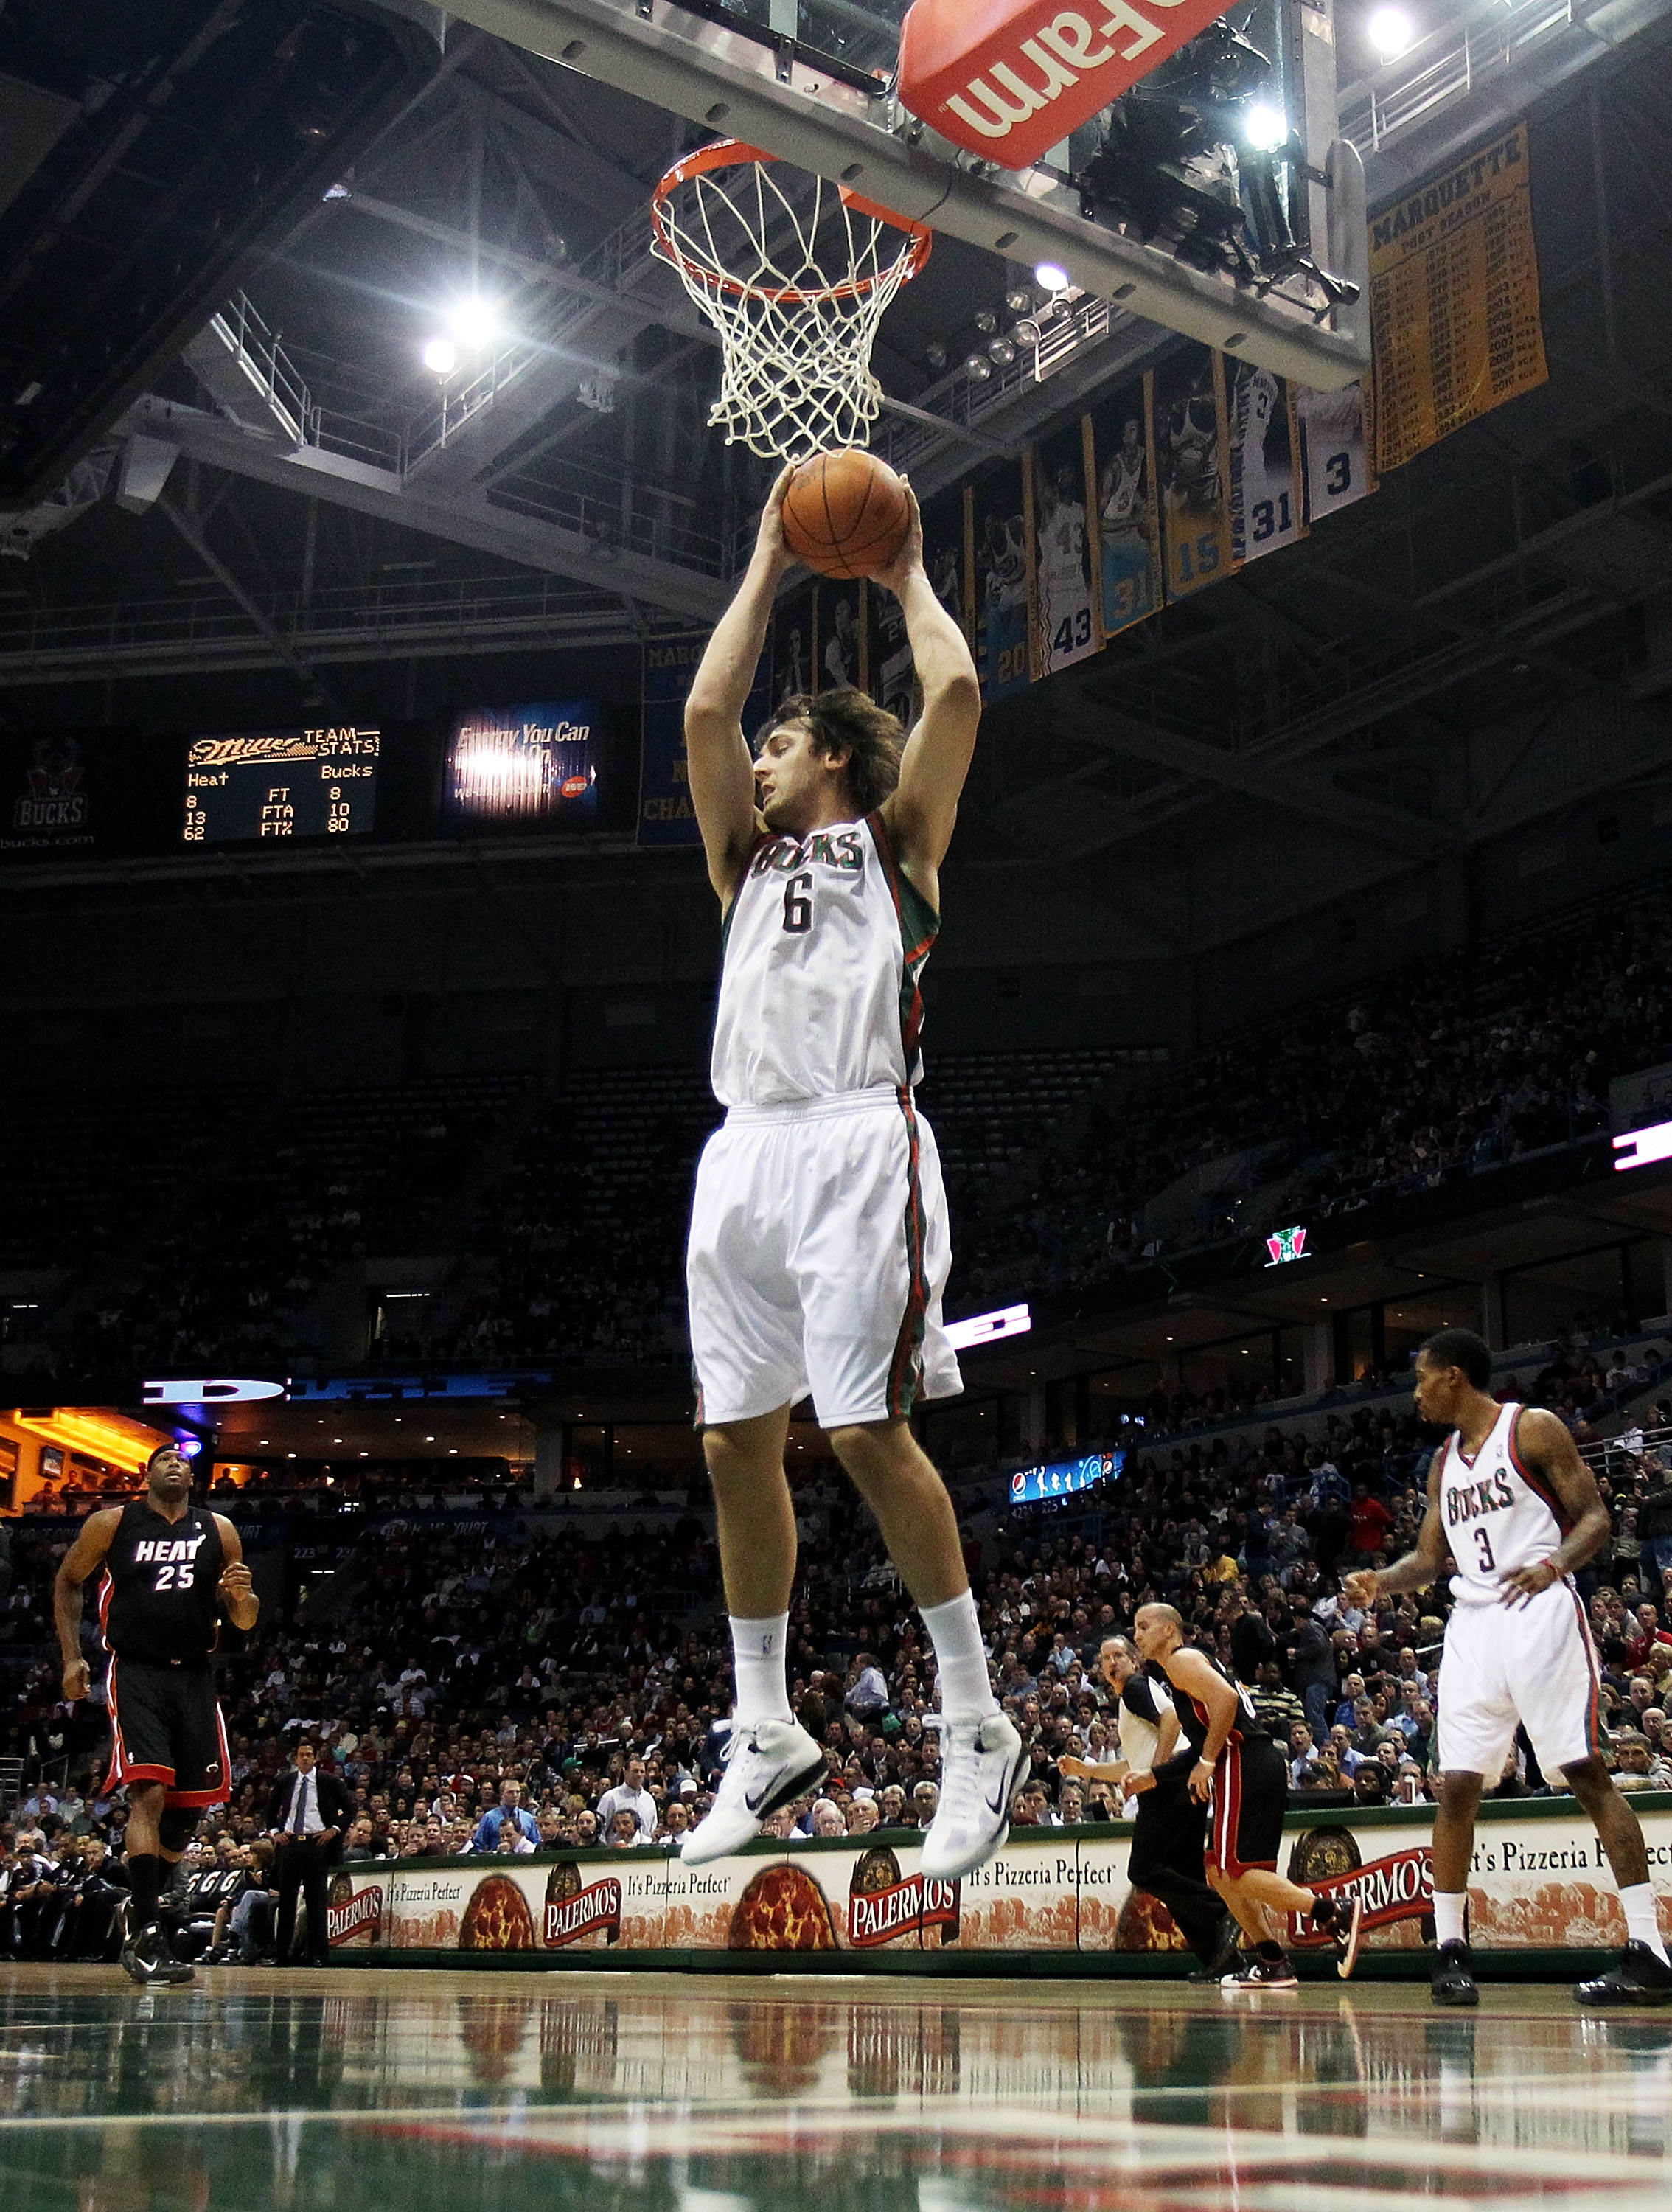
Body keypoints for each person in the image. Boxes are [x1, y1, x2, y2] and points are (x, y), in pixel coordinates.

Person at [677, 464, 1023, 1879]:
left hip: (853, 1140)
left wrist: (903, 578)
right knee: (728, 1441)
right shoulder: (738, 864)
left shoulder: (899, 847)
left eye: (780, 743)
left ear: (829, 754)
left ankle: (975, 1724)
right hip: (740, 1153)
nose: (754, 753)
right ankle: (761, 1728)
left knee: (868, 1433)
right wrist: (764, 556)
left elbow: (955, 703)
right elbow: (702, 712)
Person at [1345, 1326, 1672, 2009]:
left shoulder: (1534, 1430)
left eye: (1422, 1379)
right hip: (1474, 1625)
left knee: (1585, 1773)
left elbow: (1595, 1520)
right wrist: (1381, 1580)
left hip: (1541, 1608)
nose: (1416, 1393)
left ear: (1455, 1376)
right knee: (1457, 1786)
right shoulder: (1444, 1462)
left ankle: (1647, 1949)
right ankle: (1450, 1950)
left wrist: (1553, 1563)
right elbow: (1430, 1560)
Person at [54, 1442, 258, 1986]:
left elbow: (241, 1620)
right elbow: (68, 1580)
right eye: (164, 1459)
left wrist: (244, 1602)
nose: (175, 1464)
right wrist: (73, 1656)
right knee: (148, 1793)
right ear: (147, 1475)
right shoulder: (112, 1522)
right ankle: (147, 1934)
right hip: (136, 1670)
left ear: (193, 1478)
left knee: (188, 1812)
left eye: (183, 1462)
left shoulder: (220, 1530)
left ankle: (142, 1906)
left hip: (194, 1673)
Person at [1132, 1602, 1362, 1989]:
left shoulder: (1181, 1660)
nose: (1137, 1635)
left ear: (1170, 1630)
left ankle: (1330, 1911)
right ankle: (1272, 1959)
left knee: (1232, 1871)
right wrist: (1164, 1773)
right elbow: (1209, 1730)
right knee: (1221, 1873)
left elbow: (1227, 1701)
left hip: (1242, 1759)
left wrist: (1206, 1761)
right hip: (1252, 1761)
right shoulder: (1187, 1665)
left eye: (1144, 1626)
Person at [1060, 1636, 1237, 1980]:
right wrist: (1086, 1770)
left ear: (1133, 1660)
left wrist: (1155, 1774)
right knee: (1182, 1876)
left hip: (1172, 1782)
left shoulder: (1136, 1688)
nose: (1111, 1663)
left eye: (1118, 1656)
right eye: (1105, 1658)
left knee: (1143, 1870)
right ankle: (1222, 1959)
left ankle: (1222, 1914)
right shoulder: (1135, 1697)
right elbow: (1132, 1762)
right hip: (1182, 1780)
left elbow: (1171, 1719)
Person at [267, 1740, 351, 1966]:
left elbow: (350, 1809)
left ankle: (317, 1955)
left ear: (315, 1758)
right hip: (290, 1844)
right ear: (295, 1758)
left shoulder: (328, 1781)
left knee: (316, 1902)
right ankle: (283, 1954)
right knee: (286, 1900)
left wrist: (333, 1830)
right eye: (301, 1754)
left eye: (309, 1754)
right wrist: (276, 1832)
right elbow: (270, 1810)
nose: (305, 1758)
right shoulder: (285, 1781)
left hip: (317, 1844)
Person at [472, 1778, 540, 1853]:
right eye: (510, 1792)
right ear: (501, 1794)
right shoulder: (489, 1817)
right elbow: (478, 1845)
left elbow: (536, 1842)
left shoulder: (528, 1818)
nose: (515, 1796)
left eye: (518, 1792)